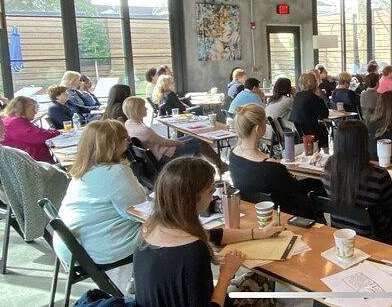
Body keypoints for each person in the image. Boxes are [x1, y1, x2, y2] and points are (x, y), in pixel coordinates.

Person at [134, 157, 283, 307]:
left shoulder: (150, 228)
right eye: (211, 191)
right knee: (260, 285)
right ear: (193, 200)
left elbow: (213, 235)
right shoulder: (193, 250)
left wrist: (258, 233)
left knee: (256, 278)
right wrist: (226, 274)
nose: (213, 197)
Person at [55, 120, 146, 284]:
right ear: (113, 145)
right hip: (98, 248)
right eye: (124, 140)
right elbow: (139, 212)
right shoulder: (116, 172)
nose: (127, 144)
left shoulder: (82, 170)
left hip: (71, 246)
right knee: (167, 227)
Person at [323, 120, 392, 246]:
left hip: (340, 230)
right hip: (375, 234)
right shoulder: (379, 176)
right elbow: (391, 206)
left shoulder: (328, 170)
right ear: (365, 143)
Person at [229, 104, 318, 218]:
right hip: (284, 214)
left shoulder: (233, 156)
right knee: (315, 185)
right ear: (258, 129)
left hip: (255, 210)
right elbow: (296, 192)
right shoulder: (271, 167)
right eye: (264, 123)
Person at [125, 97, 215, 165]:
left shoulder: (128, 123)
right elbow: (165, 142)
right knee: (200, 142)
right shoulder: (144, 130)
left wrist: (180, 141)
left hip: (157, 153)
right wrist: (180, 142)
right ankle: (219, 166)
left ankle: (198, 168)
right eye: (144, 107)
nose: (147, 108)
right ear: (137, 110)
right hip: (165, 155)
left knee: (196, 138)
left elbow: (162, 141)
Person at [1, 96, 61, 163]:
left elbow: (40, 131)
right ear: (21, 109)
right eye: (33, 110)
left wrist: (55, 132)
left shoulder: (17, 121)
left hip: (33, 162)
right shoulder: (14, 123)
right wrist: (58, 133)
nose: (35, 112)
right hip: (33, 165)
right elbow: (38, 136)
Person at [289, 72, 330, 148]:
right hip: (309, 132)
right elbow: (325, 113)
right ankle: (325, 153)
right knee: (323, 129)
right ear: (315, 83)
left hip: (298, 131)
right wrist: (320, 96)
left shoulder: (297, 96)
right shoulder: (314, 97)